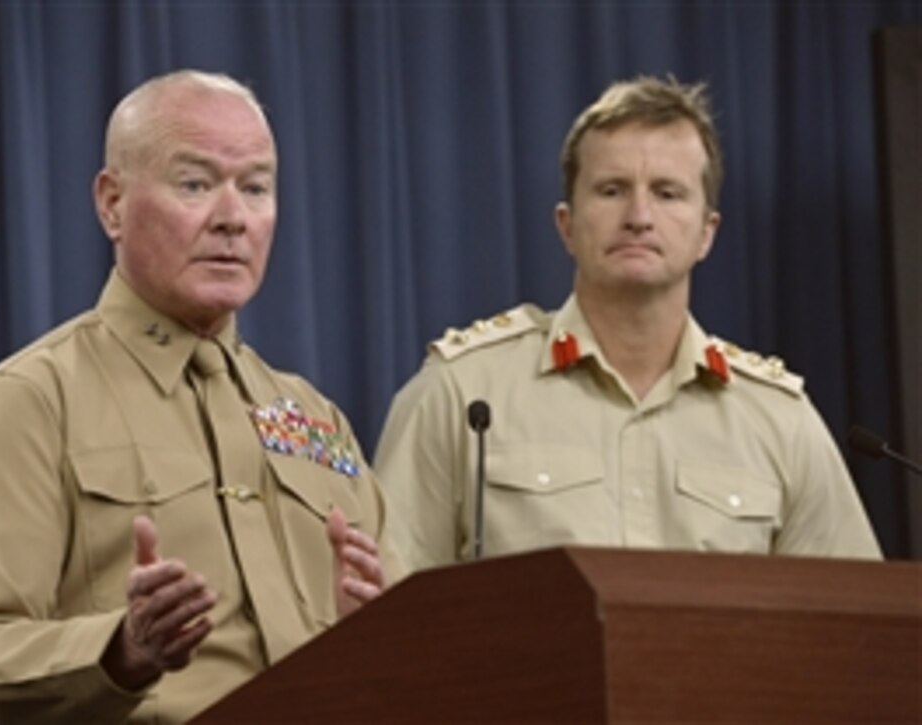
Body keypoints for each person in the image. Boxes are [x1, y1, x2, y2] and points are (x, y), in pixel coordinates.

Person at [0, 70, 401, 723]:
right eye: (195, 184)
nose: (232, 217)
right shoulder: (27, 404)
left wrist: (382, 643)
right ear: (112, 203)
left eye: (256, 187)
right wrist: (121, 650)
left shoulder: (315, 418)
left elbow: (416, 654)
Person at [373, 75, 881, 572]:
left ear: (708, 233)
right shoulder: (461, 395)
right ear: (567, 226)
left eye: (667, 193)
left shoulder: (780, 421)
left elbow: (856, 631)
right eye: (612, 190)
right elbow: (382, 616)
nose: (639, 215)